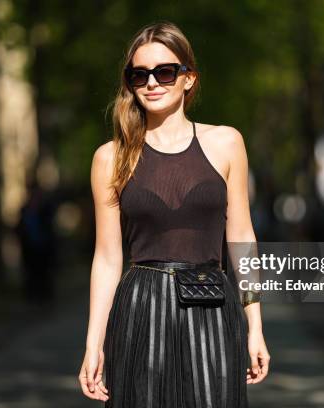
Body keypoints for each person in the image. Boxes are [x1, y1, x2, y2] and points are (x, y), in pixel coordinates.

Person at [78, 21, 269, 407]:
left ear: (188, 78)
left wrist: (256, 325)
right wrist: (93, 343)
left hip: (213, 307)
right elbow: (107, 257)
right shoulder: (110, 158)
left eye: (165, 72)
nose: (152, 83)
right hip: (139, 311)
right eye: (139, 75)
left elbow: (242, 239)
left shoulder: (227, 143)